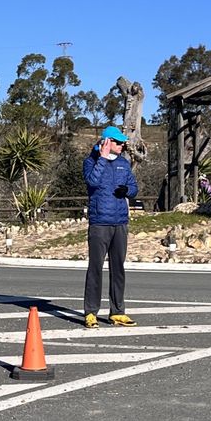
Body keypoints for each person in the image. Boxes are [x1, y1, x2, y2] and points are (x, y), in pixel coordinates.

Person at [83, 126, 138, 328]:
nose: (122, 145)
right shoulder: (91, 162)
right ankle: (90, 312)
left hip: (120, 223)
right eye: (118, 142)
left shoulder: (124, 163)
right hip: (99, 223)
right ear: (106, 142)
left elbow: (134, 187)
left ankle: (117, 312)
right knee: (95, 268)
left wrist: (128, 190)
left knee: (118, 268)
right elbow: (92, 181)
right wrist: (103, 158)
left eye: (123, 142)